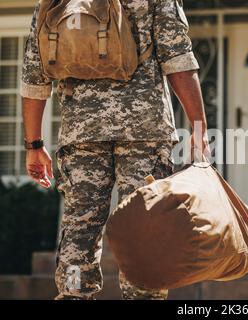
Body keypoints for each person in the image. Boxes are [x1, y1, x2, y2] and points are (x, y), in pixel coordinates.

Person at [21, 0, 209, 300]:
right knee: (144, 224)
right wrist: (199, 126)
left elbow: (34, 73)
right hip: (144, 131)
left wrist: (34, 144)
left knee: (80, 224)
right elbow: (177, 58)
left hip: (80, 133)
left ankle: (73, 293)